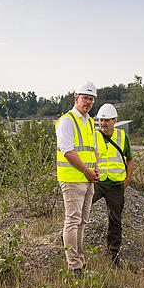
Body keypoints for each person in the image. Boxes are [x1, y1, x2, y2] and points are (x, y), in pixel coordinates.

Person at [55, 81, 100, 275]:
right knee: (72, 221)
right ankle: (74, 266)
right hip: (73, 178)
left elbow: (92, 149)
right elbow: (67, 151)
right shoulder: (67, 121)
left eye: (91, 99)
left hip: (87, 179)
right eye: (85, 98)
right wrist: (87, 171)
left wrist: (95, 169)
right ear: (76, 99)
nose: (88, 102)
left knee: (82, 221)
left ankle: (80, 262)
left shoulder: (89, 121)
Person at [92, 103, 133, 266]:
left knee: (115, 220)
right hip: (97, 183)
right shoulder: (93, 136)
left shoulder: (122, 137)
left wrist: (127, 180)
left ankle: (114, 255)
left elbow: (130, 159)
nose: (103, 123)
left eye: (106, 120)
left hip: (116, 185)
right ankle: (71, 243)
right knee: (81, 210)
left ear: (114, 121)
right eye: (101, 120)